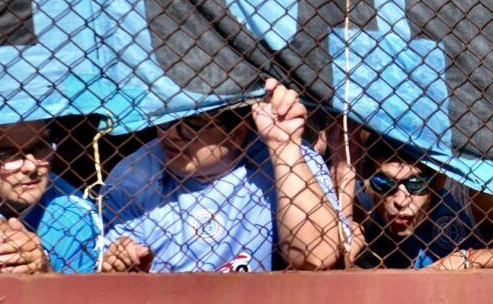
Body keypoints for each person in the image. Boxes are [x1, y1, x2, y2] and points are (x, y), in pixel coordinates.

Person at [101, 79, 344, 273]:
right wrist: (124, 263)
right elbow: (115, 273)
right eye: (166, 120)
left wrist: (284, 149)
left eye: (193, 124)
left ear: (237, 132)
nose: (172, 134)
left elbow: (317, 256)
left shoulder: (287, 156)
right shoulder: (132, 177)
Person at [349, 132, 493, 269]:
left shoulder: (469, 193)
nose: (400, 200)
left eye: (416, 184)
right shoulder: (362, 200)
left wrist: (467, 260)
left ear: (438, 180)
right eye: (384, 184)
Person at [0, 120, 101, 273]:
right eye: (9, 154)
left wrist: (46, 270)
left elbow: (78, 295)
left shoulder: (73, 216)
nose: (31, 167)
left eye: (40, 147)